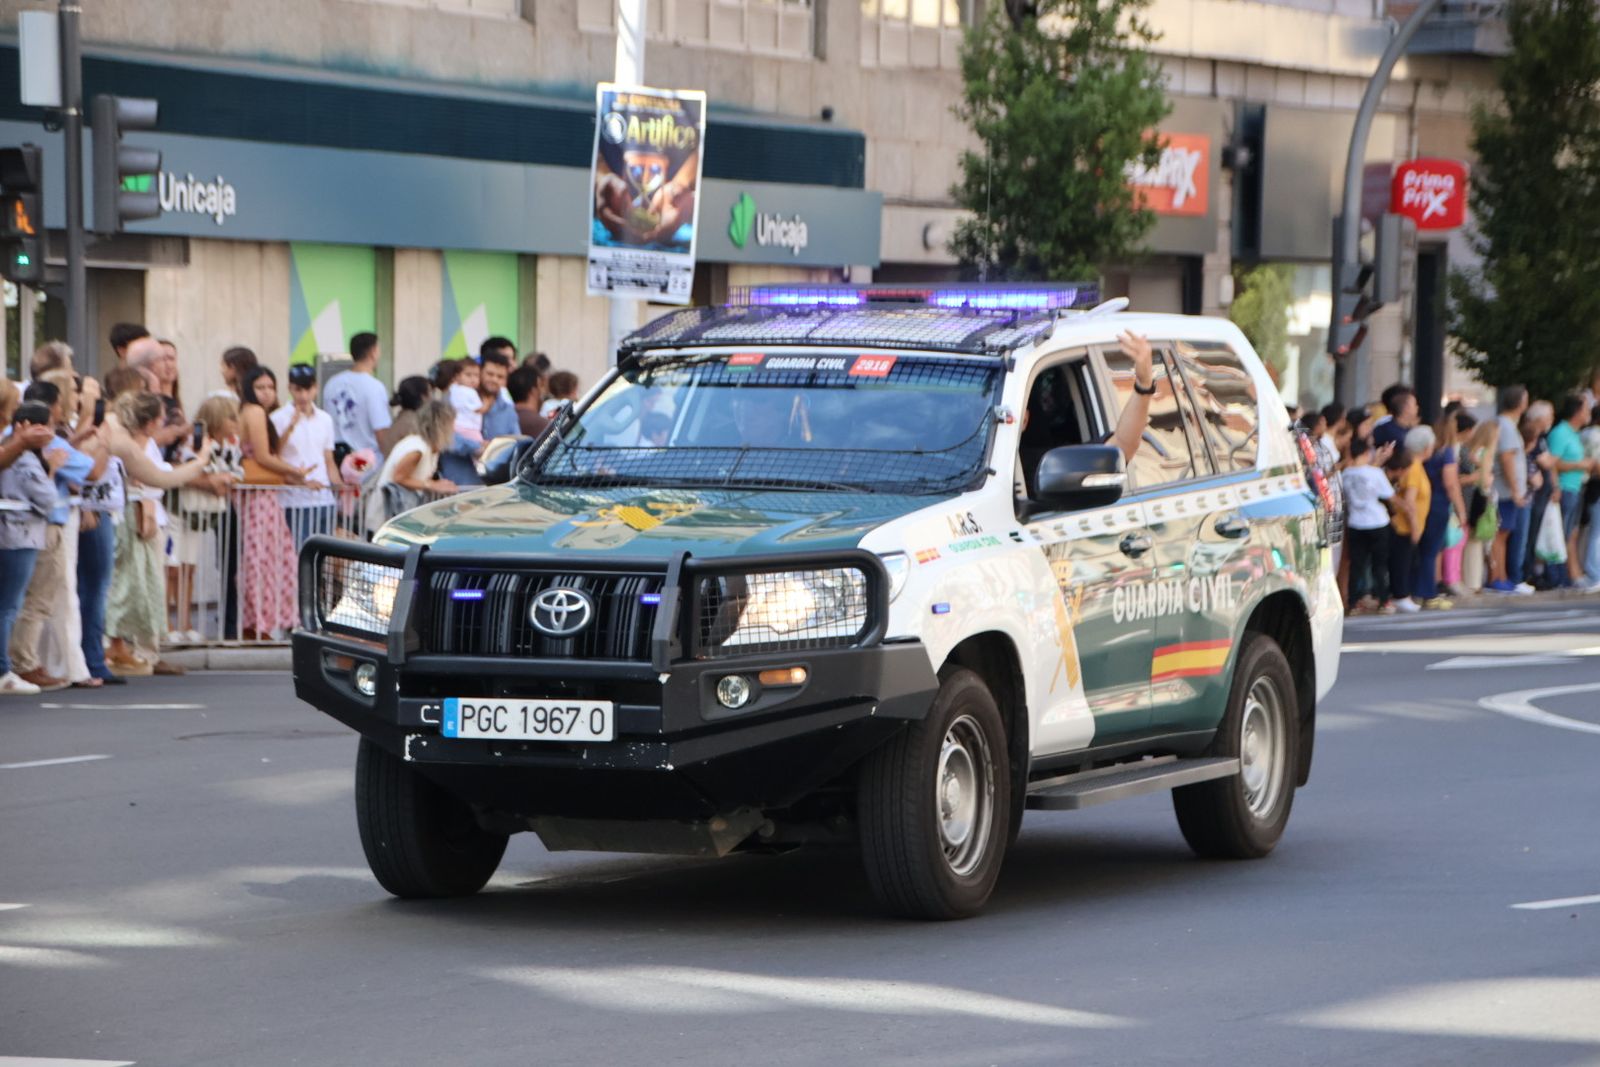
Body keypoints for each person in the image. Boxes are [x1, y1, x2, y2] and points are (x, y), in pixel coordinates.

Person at [6, 381, 96, 691]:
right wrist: (55, 467)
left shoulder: (18, 449)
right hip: (36, 528)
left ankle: (21, 661)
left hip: (32, 529)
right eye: (47, 426)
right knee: (35, 599)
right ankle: (22, 661)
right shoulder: (24, 453)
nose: (50, 435)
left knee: (24, 599)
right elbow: (82, 472)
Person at [236, 367, 308, 641]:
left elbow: (268, 453)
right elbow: (264, 457)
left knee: (268, 556)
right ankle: (259, 623)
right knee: (263, 557)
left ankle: (260, 621)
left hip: (263, 493)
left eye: (271, 386)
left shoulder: (254, 412)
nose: (267, 392)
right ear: (248, 388)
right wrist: (294, 472)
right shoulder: (253, 412)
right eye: (260, 387)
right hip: (258, 494)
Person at [0, 402, 64, 695]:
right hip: (19, 534)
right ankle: (3, 670)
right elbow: (48, 498)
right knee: (8, 605)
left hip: (13, 532)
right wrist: (51, 471)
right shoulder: (23, 457)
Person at [173, 395, 244, 644]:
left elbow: (236, 471)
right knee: (176, 566)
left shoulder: (229, 445)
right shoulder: (197, 442)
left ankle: (185, 624)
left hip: (202, 511)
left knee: (188, 566)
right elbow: (186, 468)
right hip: (183, 509)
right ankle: (174, 625)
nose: (237, 422)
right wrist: (214, 481)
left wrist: (227, 479)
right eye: (231, 417)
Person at [272, 364, 343, 552]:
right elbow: (273, 456)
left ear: (316, 388)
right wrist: (290, 427)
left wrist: (340, 486)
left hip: (324, 499)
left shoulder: (325, 419)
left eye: (308, 389)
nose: (303, 395)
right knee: (297, 553)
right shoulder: (278, 418)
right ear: (290, 389)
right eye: (298, 389)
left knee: (324, 556)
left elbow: (329, 459)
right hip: (293, 500)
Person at [366, 399, 456, 532]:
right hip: (388, 510)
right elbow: (399, 477)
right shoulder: (417, 449)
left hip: (399, 510)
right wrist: (432, 485)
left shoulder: (428, 447)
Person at [1545, 393, 1593, 588]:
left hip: (1575, 488)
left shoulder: (1573, 433)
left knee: (1570, 533)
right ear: (1577, 411)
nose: (1589, 412)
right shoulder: (1560, 433)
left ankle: (1568, 575)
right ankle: (1554, 576)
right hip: (1564, 488)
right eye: (1586, 409)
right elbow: (1553, 463)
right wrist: (1581, 464)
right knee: (1560, 533)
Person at [1489, 385, 1533, 594]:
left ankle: (1502, 576)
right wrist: (1516, 490)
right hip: (1505, 491)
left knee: (1503, 534)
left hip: (1505, 489)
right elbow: (1507, 458)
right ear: (1520, 403)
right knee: (1500, 534)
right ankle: (1498, 577)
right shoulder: (1506, 426)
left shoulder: (1504, 424)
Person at [1343, 435, 1395, 613]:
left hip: (1355, 523)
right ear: (1367, 452)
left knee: (1357, 565)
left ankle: (1353, 602)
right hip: (1377, 522)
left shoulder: (1346, 474)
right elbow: (1389, 495)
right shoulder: (1375, 473)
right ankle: (1383, 600)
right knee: (1379, 565)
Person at [323, 332, 393, 459]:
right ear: (373, 352)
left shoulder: (332, 383)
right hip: (368, 463)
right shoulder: (375, 387)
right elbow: (381, 431)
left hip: (337, 459)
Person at [1385, 436, 1429, 614]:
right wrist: (1415, 527)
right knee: (1401, 561)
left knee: (1406, 560)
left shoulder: (1413, 466)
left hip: (1406, 524)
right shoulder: (1413, 468)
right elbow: (1409, 502)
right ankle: (1401, 595)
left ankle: (1403, 595)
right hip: (1403, 525)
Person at [478, 351, 519, 439]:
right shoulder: (463, 401)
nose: (494, 380)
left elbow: (516, 443)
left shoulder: (509, 411)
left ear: (506, 381)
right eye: (490, 374)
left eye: (500, 377)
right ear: (480, 372)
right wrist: (476, 446)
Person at [448, 358, 486, 445]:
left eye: (476, 376)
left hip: (455, 426)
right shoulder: (470, 391)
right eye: (468, 375)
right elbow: (479, 409)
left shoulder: (453, 388)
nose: (473, 379)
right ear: (457, 376)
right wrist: (488, 402)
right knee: (481, 450)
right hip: (469, 428)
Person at [1371, 384, 1419, 452]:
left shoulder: (1409, 429)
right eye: (1415, 404)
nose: (1417, 408)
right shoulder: (1385, 429)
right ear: (1406, 408)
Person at [388, 376, 433, 445]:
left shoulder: (404, 418)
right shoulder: (412, 424)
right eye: (430, 391)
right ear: (423, 397)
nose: (432, 397)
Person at [507, 365, 549, 438]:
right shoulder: (540, 424)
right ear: (534, 391)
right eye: (541, 386)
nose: (543, 392)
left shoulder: (505, 417)